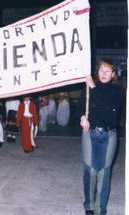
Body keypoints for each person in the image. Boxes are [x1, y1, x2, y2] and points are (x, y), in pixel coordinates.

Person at [75, 60, 124, 215]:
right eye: (101, 70)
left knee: (104, 172)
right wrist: (82, 117)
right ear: (98, 72)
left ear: (113, 74)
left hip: (109, 135)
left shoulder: (118, 91)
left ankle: (100, 209)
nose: (103, 73)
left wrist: (93, 86)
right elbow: (79, 106)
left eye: (107, 71)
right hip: (90, 134)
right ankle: (89, 206)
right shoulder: (89, 88)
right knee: (90, 171)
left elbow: (105, 104)